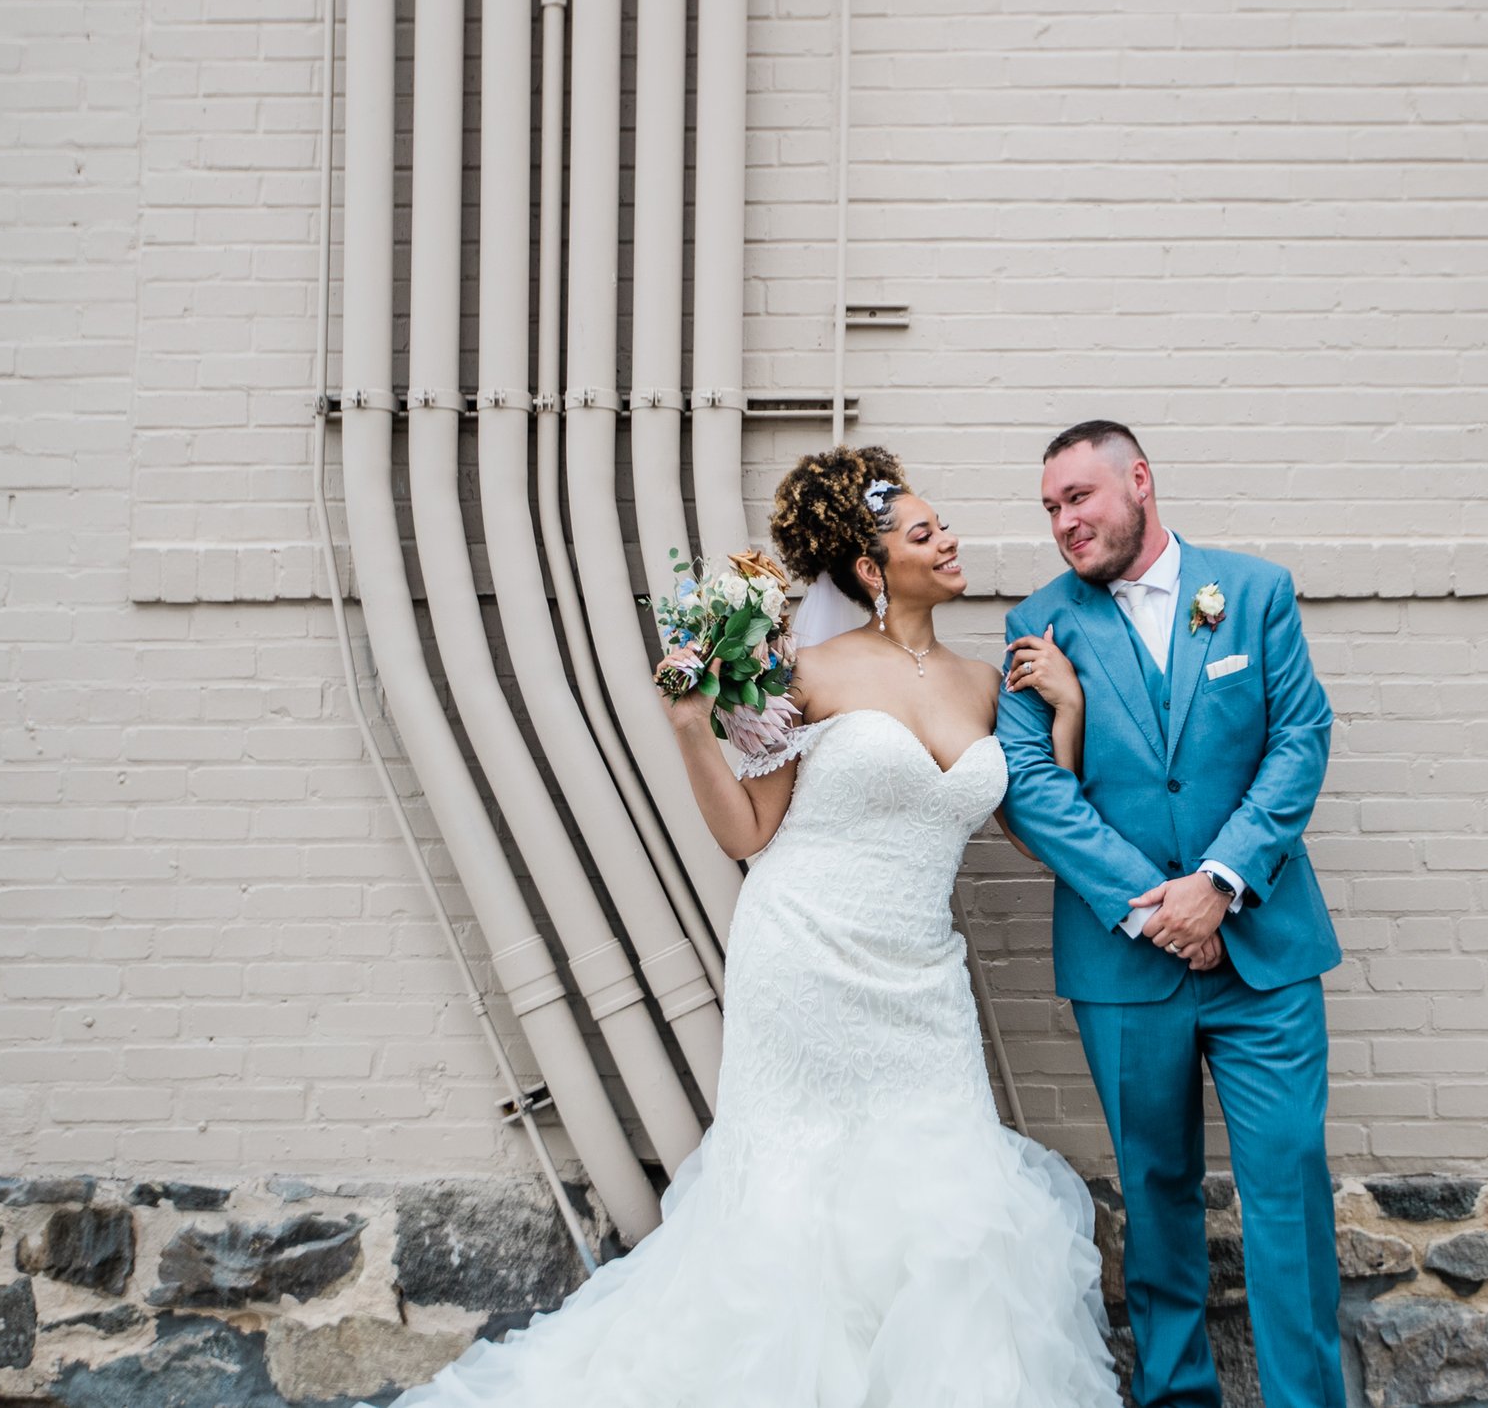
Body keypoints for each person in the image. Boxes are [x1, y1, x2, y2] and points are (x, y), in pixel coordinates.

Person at [384, 445, 1125, 1408]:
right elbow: (749, 830)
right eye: (923, 531)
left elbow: (1036, 835)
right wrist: (693, 728)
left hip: (920, 978)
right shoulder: (805, 670)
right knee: (799, 1195)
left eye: (942, 525)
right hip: (806, 957)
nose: (949, 539)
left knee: (942, 1193)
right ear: (869, 567)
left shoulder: (987, 683)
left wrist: (1062, 713)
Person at [998, 420, 1347, 1408]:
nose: (1066, 521)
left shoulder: (1253, 593)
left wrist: (1219, 880)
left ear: (1138, 481)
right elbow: (1029, 784)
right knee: (1154, 1199)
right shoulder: (1039, 623)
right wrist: (1152, 908)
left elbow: (1299, 741)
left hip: (1262, 955)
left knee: (1288, 1194)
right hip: (1125, 966)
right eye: (1051, 507)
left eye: (1081, 497)